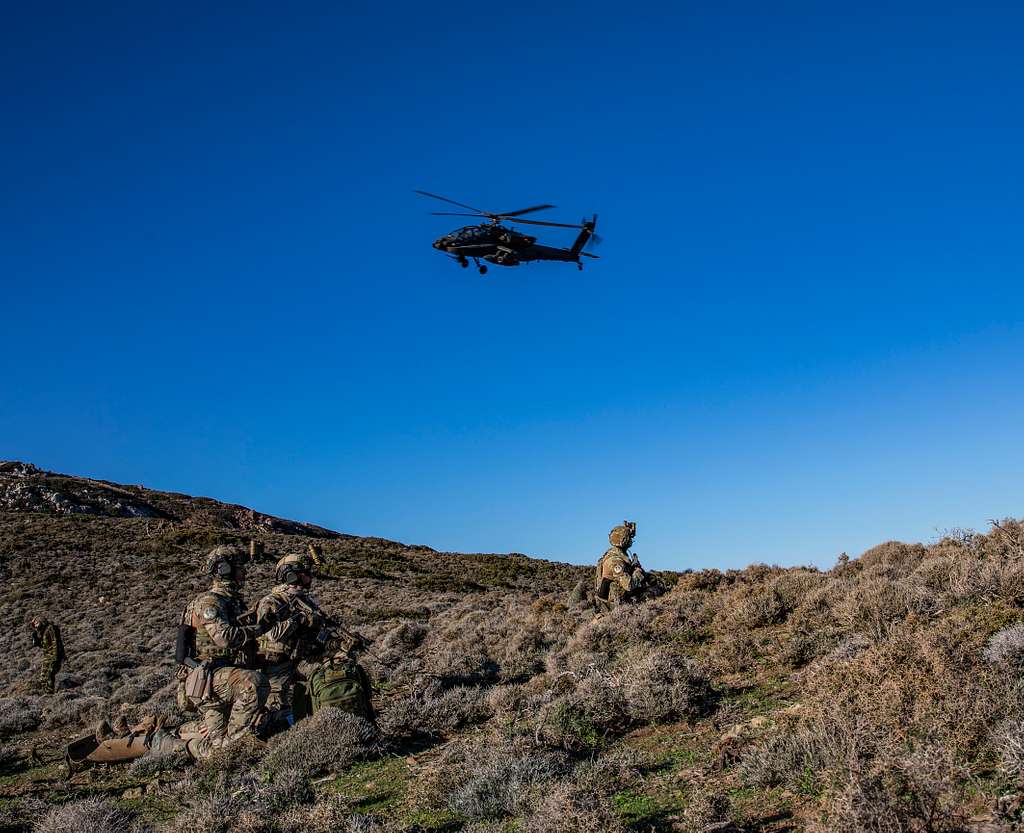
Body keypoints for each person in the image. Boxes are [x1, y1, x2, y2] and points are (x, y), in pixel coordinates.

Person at [167, 545, 272, 759]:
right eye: (239, 567)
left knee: (221, 733)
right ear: (224, 570)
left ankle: (176, 734)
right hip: (207, 679)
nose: (244, 572)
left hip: (222, 677)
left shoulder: (233, 603)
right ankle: (231, 746)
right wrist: (259, 629)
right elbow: (224, 638)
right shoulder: (211, 602)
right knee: (253, 683)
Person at [256, 552, 373, 728]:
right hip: (276, 663)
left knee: (343, 662)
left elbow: (320, 629)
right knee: (278, 714)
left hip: (303, 655)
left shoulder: (305, 599)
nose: (310, 576)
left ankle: (340, 705)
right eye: (305, 572)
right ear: (291, 574)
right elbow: (274, 634)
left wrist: (340, 641)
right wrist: (298, 618)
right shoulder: (272, 601)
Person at [594, 521, 647, 609]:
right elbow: (629, 585)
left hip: (614, 601)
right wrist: (637, 571)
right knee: (652, 592)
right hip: (612, 605)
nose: (630, 540)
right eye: (628, 538)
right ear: (624, 541)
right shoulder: (616, 561)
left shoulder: (615, 554)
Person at [29, 617, 63, 693]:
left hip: (53, 656)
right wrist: (36, 639)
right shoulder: (43, 632)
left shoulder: (50, 629)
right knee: (43, 677)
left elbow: (55, 642)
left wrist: (56, 656)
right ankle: (47, 694)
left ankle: (50, 693)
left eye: (37, 623)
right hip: (47, 656)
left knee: (49, 675)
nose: (36, 626)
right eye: (35, 625)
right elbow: (43, 645)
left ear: (41, 622)